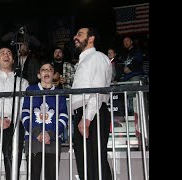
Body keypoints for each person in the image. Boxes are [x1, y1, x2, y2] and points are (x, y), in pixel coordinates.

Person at [0, 46, 29, 180]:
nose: (6, 55)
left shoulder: (22, 82)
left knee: (13, 165)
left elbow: (25, 106)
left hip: (14, 125)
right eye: (2, 53)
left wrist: (12, 119)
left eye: (9, 53)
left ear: (13, 59)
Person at [71, 27, 112, 180]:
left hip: (93, 112)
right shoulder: (84, 60)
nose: (76, 37)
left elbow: (98, 89)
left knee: (96, 160)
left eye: (80, 34)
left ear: (91, 38)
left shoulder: (97, 57)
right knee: (84, 162)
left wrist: (87, 118)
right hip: (84, 113)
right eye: (76, 34)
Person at [21, 61, 68, 180]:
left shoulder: (60, 93)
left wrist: (50, 134)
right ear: (38, 75)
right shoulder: (30, 90)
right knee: (33, 176)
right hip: (33, 139)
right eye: (43, 69)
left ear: (54, 75)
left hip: (52, 140)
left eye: (50, 69)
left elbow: (64, 116)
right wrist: (37, 133)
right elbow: (25, 114)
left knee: (51, 176)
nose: (46, 72)